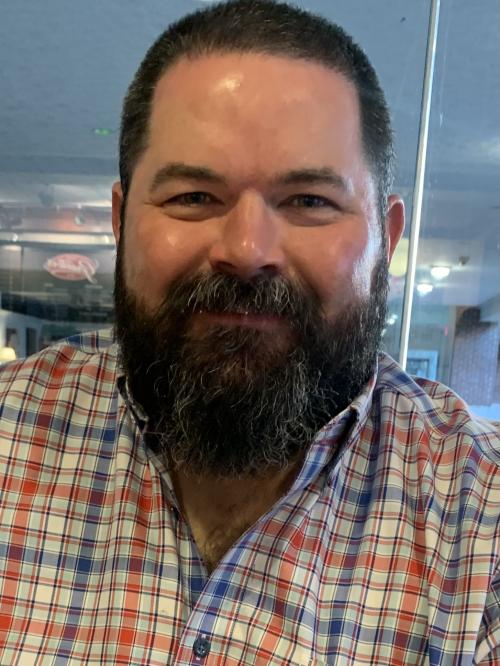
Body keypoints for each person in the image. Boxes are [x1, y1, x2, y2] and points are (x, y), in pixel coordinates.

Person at [0, 0, 498, 663]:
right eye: (193, 197)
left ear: (388, 240)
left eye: (310, 201)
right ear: (120, 223)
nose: (246, 250)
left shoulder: (480, 518)